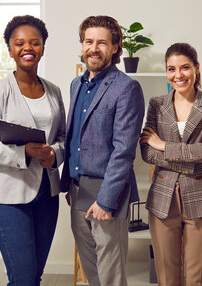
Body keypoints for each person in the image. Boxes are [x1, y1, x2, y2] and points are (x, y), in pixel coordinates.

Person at [0, 15, 65, 286]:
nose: (28, 48)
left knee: (34, 276)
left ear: (43, 48)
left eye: (35, 43)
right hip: (8, 197)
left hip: (47, 194)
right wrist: (24, 152)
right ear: (11, 49)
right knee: (23, 278)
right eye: (20, 43)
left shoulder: (54, 91)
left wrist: (55, 155)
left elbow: (61, 137)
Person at [60, 15, 145, 286]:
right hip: (77, 190)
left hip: (106, 193)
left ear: (116, 47)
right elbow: (74, 137)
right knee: (90, 270)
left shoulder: (127, 88)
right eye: (88, 41)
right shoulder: (77, 84)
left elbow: (123, 150)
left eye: (102, 43)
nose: (93, 48)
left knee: (110, 275)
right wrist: (69, 184)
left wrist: (107, 201)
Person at [140, 43, 202, 286]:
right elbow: (146, 151)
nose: (178, 75)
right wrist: (194, 155)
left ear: (196, 68)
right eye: (171, 69)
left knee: (198, 279)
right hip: (162, 200)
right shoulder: (157, 104)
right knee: (166, 278)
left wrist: (163, 145)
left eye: (185, 67)